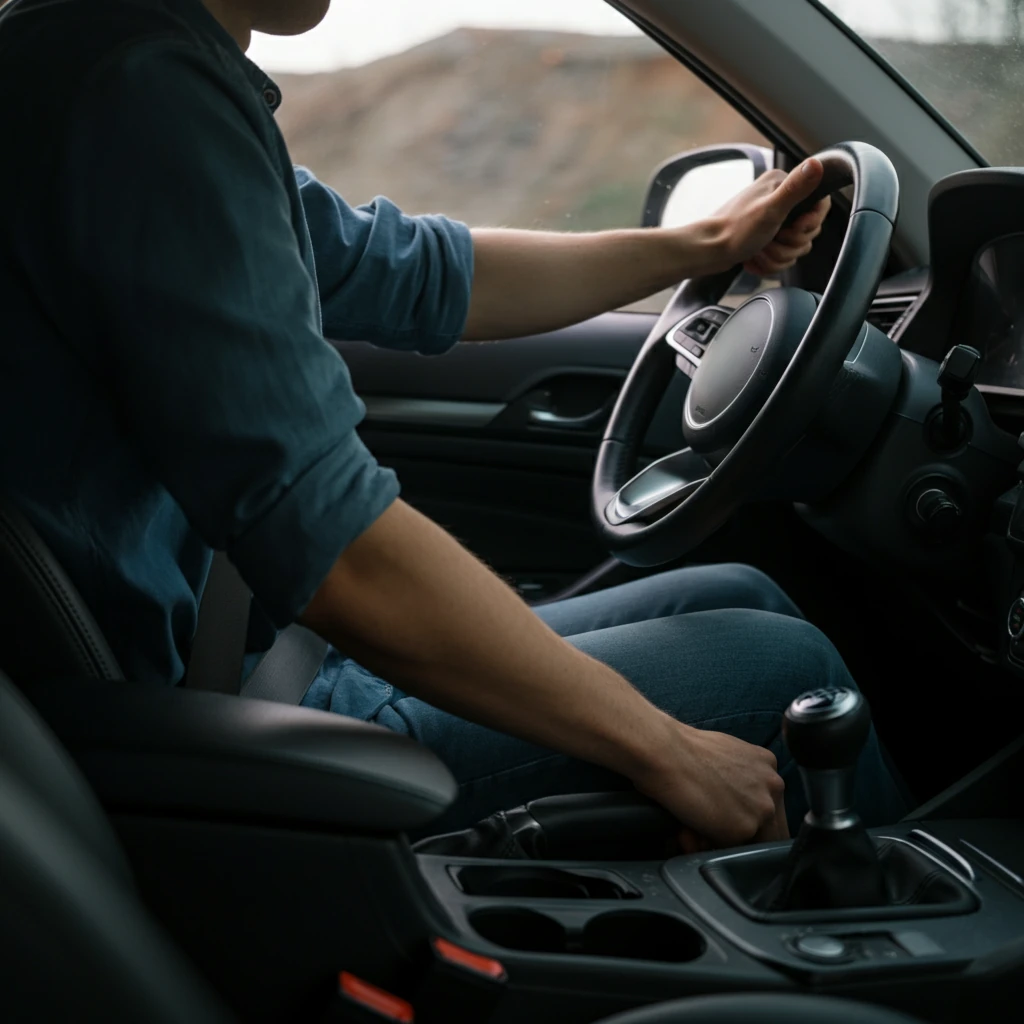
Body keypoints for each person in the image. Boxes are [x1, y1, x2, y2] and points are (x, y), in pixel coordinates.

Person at [0, 0, 910, 851]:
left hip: (246, 663)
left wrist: (704, 246)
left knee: (742, 595)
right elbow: (339, 553)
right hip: (202, 731)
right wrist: (666, 750)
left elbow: (416, 271)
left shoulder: (98, 66)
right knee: (786, 668)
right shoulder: (140, 91)